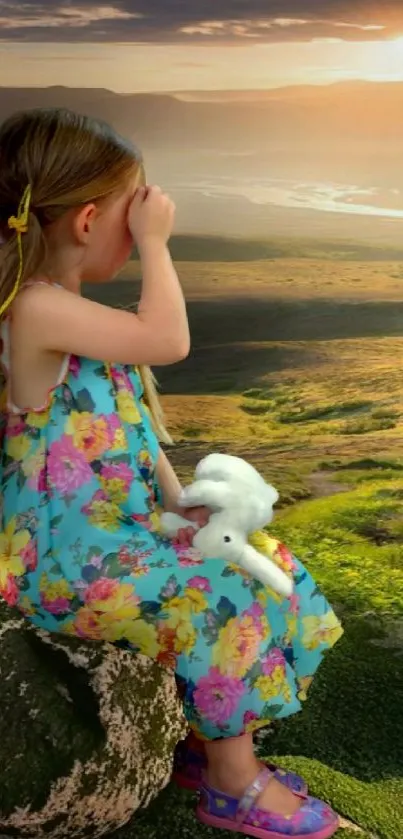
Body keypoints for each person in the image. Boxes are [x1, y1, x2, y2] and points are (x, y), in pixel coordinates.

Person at [0, 107, 343, 839]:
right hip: (62, 561)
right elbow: (168, 339)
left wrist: (180, 502)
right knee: (213, 587)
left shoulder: (71, 313)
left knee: (263, 564)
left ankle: (210, 731)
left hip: (111, 537)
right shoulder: (33, 311)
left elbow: (129, 429)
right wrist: (158, 247)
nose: (144, 226)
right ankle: (233, 782)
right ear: (89, 221)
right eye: (137, 211)